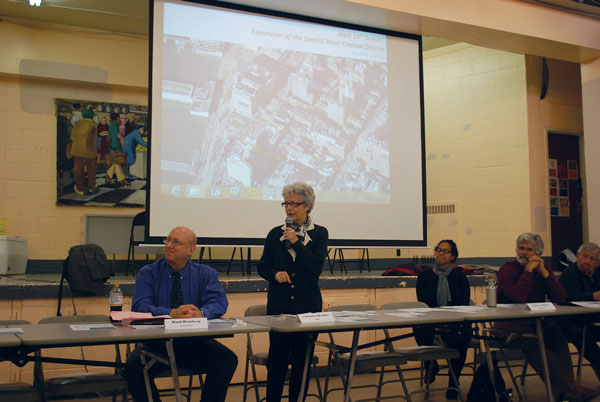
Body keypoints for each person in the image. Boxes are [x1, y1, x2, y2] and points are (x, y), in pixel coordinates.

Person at [123, 226, 238, 402]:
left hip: (194, 343)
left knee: (227, 360)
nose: (168, 245)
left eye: (176, 242)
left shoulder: (205, 273)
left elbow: (219, 303)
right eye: (167, 240)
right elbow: (140, 307)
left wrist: (200, 313)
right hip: (156, 345)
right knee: (133, 368)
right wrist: (171, 313)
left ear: (190, 249)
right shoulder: (148, 273)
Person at [496, 232, 599, 402]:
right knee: (534, 342)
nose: (524, 253)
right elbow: (518, 298)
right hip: (509, 326)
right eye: (521, 248)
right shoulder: (507, 269)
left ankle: (569, 389)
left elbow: (560, 298)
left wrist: (545, 274)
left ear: (539, 254)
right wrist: (528, 271)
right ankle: (566, 391)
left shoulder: (543, 269)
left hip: (537, 322)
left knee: (558, 337)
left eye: (530, 250)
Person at [257, 182, 328, 402]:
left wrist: (297, 243)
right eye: (286, 203)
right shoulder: (274, 234)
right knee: (277, 363)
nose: (289, 208)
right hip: (280, 308)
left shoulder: (319, 234)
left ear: (307, 206)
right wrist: (274, 274)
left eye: (294, 203)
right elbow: (263, 266)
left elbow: (315, 266)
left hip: (308, 308)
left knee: (301, 363)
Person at [413, 239, 471, 400]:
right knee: (418, 327)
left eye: (445, 251)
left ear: (453, 256)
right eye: (439, 249)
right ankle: (431, 364)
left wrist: (448, 319)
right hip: (431, 321)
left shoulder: (460, 277)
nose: (440, 253)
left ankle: (453, 382)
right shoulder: (424, 276)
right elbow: (423, 303)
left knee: (462, 336)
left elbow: (464, 303)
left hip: (453, 321)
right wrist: (438, 320)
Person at [558, 242, 600, 380]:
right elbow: (569, 297)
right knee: (582, 335)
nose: (587, 261)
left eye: (592, 259)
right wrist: (594, 296)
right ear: (577, 256)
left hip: (592, 318)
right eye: (584, 256)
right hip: (571, 321)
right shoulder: (569, 274)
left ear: (598, 263)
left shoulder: (598, 273)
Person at [69, 108, 98, 195]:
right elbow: (94, 139)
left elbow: (72, 136)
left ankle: (80, 188)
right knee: (91, 169)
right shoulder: (93, 124)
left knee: (78, 169)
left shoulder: (77, 124)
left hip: (77, 150)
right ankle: (91, 187)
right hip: (90, 150)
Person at [105, 112, 129, 186]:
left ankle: (108, 176)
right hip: (115, 147)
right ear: (115, 119)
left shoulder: (113, 125)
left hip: (112, 147)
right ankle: (122, 180)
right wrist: (116, 148)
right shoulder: (115, 127)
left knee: (116, 163)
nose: (120, 120)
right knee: (117, 162)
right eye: (119, 118)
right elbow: (115, 139)